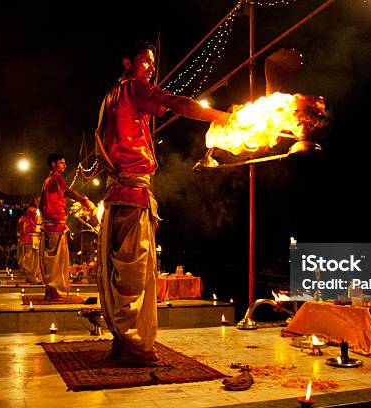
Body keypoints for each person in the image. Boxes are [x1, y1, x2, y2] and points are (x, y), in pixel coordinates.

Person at [95, 40, 229, 365]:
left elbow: (100, 136)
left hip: (118, 194)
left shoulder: (110, 98)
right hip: (130, 193)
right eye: (146, 62)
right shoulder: (132, 89)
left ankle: (121, 340)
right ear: (128, 63)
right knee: (134, 272)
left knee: (119, 271)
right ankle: (136, 345)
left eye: (153, 64)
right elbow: (175, 102)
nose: (151, 69)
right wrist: (218, 116)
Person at [39, 153, 93, 300]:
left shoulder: (46, 180)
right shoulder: (56, 177)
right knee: (56, 260)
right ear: (53, 164)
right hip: (55, 224)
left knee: (53, 259)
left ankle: (51, 290)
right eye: (62, 163)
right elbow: (68, 192)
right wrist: (84, 201)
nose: (65, 165)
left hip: (53, 224)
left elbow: (41, 204)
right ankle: (52, 290)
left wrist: (45, 220)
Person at [19, 203, 42, 284]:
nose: (37, 216)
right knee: (30, 260)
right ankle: (31, 277)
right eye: (35, 215)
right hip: (29, 240)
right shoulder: (26, 220)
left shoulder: (34, 220)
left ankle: (33, 277)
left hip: (35, 240)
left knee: (36, 260)